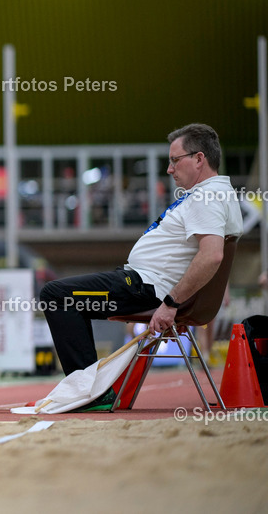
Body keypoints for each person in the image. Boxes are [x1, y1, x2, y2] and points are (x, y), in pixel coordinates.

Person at [40, 124, 243, 409]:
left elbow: (212, 256)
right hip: (144, 284)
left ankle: (89, 393)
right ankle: (90, 390)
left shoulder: (206, 196)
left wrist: (173, 303)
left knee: (56, 296)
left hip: (146, 287)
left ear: (199, 159)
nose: (170, 169)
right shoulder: (214, 193)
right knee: (72, 299)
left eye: (175, 160)